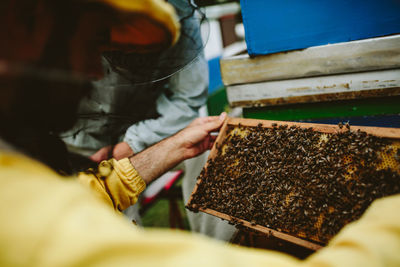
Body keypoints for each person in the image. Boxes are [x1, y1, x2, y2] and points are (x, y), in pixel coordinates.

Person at [0, 0, 399, 266]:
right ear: (22, 24)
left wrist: (163, 150)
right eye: (89, 43)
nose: (93, 69)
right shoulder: (32, 227)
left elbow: (86, 192)